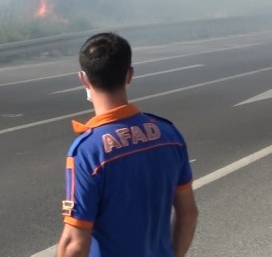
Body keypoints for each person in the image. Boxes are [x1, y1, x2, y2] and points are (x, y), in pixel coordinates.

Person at [56, 32, 198, 257]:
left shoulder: (88, 151)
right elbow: (188, 214)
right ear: (129, 74)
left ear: (83, 79)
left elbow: (75, 243)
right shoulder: (169, 135)